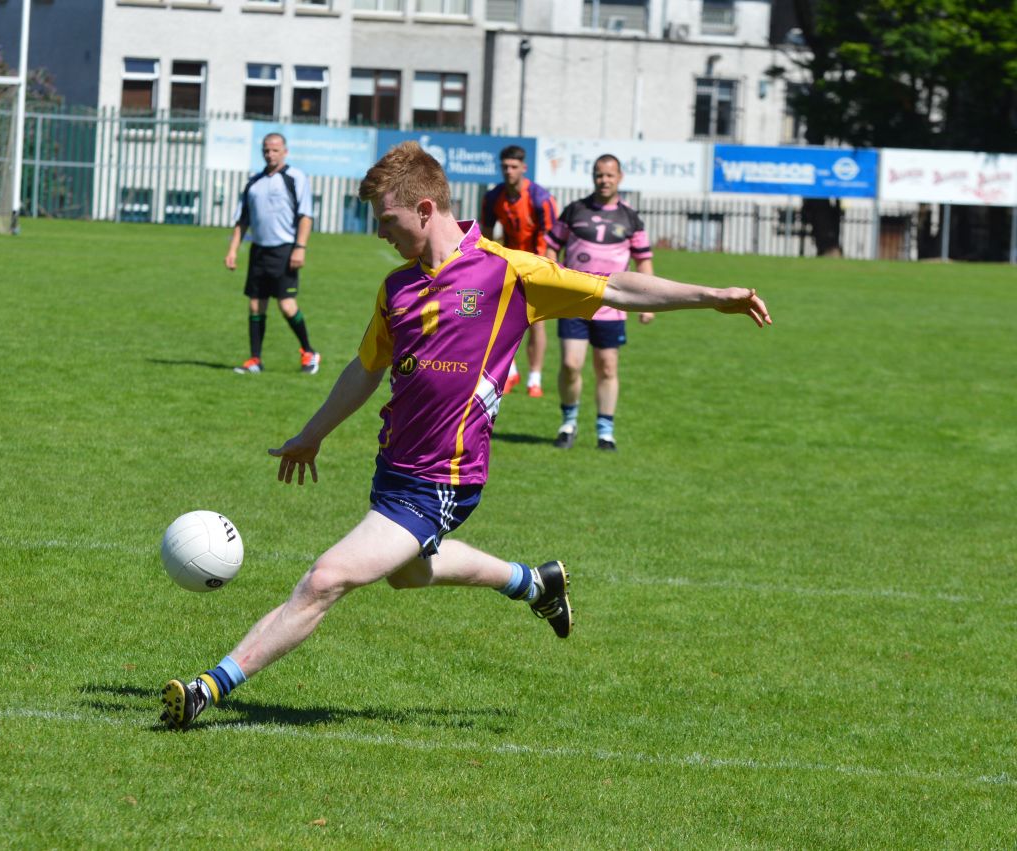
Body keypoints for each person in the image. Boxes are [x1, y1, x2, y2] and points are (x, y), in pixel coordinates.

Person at [160, 141, 771, 730]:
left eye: (387, 218)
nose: (380, 232)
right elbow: (366, 368)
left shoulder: (509, 272)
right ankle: (534, 582)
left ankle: (208, 688)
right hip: (395, 464)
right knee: (405, 572)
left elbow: (617, 288)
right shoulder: (396, 287)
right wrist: (312, 434)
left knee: (327, 578)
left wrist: (711, 296)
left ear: (425, 209)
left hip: (444, 477)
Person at [545, 153, 654, 451]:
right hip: (574, 303)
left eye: (609, 175)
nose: (603, 180)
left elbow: (643, 262)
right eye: (598, 175)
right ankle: (568, 423)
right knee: (570, 364)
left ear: (620, 177)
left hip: (613, 305)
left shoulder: (631, 217)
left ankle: (605, 431)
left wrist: (647, 303)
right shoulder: (574, 210)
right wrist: (555, 279)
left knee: (607, 367)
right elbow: (551, 247)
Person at [225, 133, 319, 375]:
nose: (270, 154)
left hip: (285, 250)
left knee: (287, 306)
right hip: (259, 251)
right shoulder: (253, 182)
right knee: (256, 306)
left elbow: (305, 216)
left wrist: (300, 248)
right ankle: (255, 360)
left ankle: (309, 352)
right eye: (267, 150)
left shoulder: (294, 178)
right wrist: (233, 250)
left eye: (275, 150)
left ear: (285, 151)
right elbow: (242, 220)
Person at [480, 145, 558, 397]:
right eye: (504, 167)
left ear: (524, 168)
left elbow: (551, 239)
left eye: (514, 167)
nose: (508, 171)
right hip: (508, 265)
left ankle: (534, 379)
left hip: (537, 265)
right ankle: (511, 371)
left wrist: (543, 270)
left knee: (536, 322)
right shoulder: (493, 197)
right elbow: (487, 237)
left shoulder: (540, 198)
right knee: (497, 318)